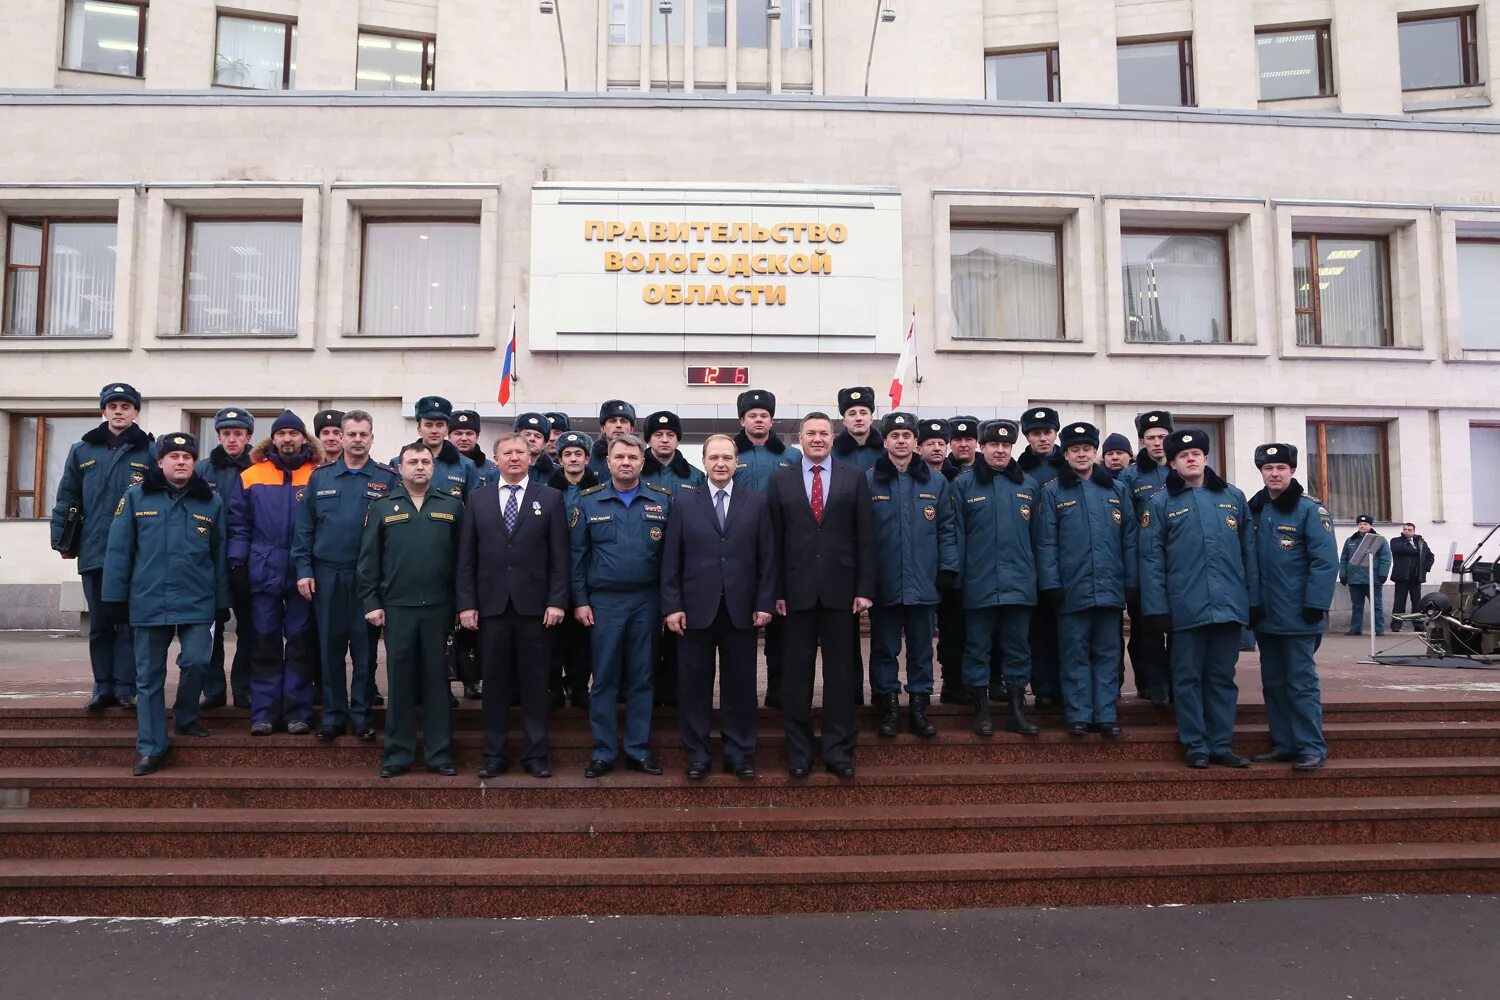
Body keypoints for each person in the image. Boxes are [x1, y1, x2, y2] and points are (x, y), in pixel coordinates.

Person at [102, 433, 229, 776]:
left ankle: (187, 717)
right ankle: (152, 747)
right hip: (148, 600)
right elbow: (118, 552)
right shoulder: (135, 497)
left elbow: (219, 555)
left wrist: (222, 600)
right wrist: (114, 597)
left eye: (187, 456)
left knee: (198, 661)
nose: (181, 461)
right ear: (160, 462)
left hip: (197, 600)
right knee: (149, 678)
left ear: (194, 462)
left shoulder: (210, 502)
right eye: (173, 456)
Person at [1139, 429, 1258, 769]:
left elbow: (1249, 554)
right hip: (1185, 609)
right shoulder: (1160, 503)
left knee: (1221, 678)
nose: (1191, 459)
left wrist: (1253, 601)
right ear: (1173, 464)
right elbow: (1150, 560)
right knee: (1187, 679)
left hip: (1228, 607)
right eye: (1182, 456)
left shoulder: (1232, 498)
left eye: (1197, 454)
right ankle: (1195, 745)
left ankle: (1221, 744)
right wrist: (1157, 609)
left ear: (1206, 458)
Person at [661, 433, 776, 780]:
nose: (721, 464)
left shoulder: (756, 502)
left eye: (727, 458)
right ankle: (697, 754)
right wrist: (672, 606)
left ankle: (739, 753)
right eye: (714, 458)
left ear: (736, 462)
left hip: (741, 608)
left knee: (740, 686)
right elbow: (671, 559)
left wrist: (764, 601)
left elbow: (767, 558)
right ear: (704, 462)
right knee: (694, 686)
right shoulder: (684, 502)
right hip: (694, 610)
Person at [767, 412, 875, 779]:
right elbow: (773, 542)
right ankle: (799, 753)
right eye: (810, 433)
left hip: (841, 593)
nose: (817, 438)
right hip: (794, 594)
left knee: (841, 677)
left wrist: (864, 588)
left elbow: (866, 538)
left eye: (823, 433)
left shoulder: (854, 478)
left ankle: (839, 751)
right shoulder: (780, 479)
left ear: (833, 437)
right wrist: (775, 590)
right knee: (795, 679)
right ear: (800, 438)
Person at [457, 432, 569, 780]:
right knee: (494, 684)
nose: (515, 457)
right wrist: (466, 604)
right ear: (496, 458)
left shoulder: (550, 498)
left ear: (531, 457)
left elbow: (560, 558)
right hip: (490, 607)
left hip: (536, 609)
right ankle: (494, 753)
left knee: (535, 684)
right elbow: (466, 558)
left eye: (521, 452)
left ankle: (536, 755)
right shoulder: (477, 500)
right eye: (508, 452)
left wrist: (556, 600)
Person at [359, 441, 465, 779]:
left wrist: (462, 606)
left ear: (433, 468)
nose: (419, 466)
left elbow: (463, 561)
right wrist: (371, 603)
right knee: (400, 683)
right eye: (412, 462)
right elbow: (368, 562)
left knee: (438, 684)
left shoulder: (452, 505)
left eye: (425, 461)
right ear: (400, 468)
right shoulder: (382, 507)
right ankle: (398, 753)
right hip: (397, 608)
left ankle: (439, 754)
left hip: (439, 609)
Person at [292, 410, 399, 742]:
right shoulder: (321, 477)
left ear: (371, 437)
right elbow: (304, 529)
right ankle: (334, 716)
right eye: (350, 434)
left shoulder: (388, 478)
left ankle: (362, 715)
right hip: (327, 576)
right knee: (330, 649)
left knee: (365, 653)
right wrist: (304, 570)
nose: (356, 440)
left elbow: (395, 535)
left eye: (362, 434)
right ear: (340, 436)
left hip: (368, 580)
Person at [571, 434, 672, 778]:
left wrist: (667, 604)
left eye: (632, 457)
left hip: (647, 601)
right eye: (620, 457)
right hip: (604, 604)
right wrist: (580, 601)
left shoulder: (662, 501)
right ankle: (603, 751)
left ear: (642, 463)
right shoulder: (589, 502)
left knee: (643, 678)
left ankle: (638, 750)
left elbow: (672, 560)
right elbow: (577, 558)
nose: (626, 462)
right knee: (604, 679)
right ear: (608, 462)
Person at [50, 382, 154, 711]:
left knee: (127, 622)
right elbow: (67, 497)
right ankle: (102, 685)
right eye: (113, 406)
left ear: (136, 411)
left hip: (134, 555)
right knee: (100, 623)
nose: (119, 411)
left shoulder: (149, 452)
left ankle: (126, 687)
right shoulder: (82, 451)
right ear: (103, 411)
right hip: (94, 550)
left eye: (126, 406)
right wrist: (61, 540)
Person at [1037, 422, 1137, 738]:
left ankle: (1105, 714)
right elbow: (1046, 542)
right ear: (1065, 455)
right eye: (1075, 450)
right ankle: (1079, 714)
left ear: (1095, 453)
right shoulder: (1053, 492)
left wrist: (1131, 582)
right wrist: (1051, 583)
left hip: (1109, 589)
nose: (1081, 454)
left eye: (1087, 449)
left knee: (1108, 654)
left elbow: (1130, 539)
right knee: (1075, 653)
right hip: (1071, 590)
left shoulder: (1116, 490)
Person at [866, 412, 959, 738]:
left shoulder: (936, 482)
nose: (901, 441)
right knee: (884, 649)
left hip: (924, 583)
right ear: (886, 441)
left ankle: (919, 708)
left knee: (922, 650)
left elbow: (947, 530)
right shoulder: (869, 480)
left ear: (915, 443)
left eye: (907, 436)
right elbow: (860, 536)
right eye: (895, 436)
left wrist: (947, 569)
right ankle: (889, 708)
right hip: (885, 583)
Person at [228, 410, 321, 736]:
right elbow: (238, 525)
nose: (287, 439)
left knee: (299, 642)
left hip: (302, 572)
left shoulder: (318, 474)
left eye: (293, 434)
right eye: (282, 434)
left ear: (303, 438)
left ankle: (297, 711)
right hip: (263, 568)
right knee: (264, 641)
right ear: (274, 439)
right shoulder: (251, 475)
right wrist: (237, 563)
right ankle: (264, 712)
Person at [1247, 443, 1338, 771]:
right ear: (1261, 472)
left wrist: (1315, 604)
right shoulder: (1255, 510)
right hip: (1267, 616)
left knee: (1300, 683)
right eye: (1268, 469)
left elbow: (1325, 562)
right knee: (1273, 683)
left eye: (1281, 468)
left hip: (1300, 616)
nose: (1274, 473)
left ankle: (1311, 746)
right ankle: (1284, 743)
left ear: (1293, 471)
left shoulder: (1310, 510)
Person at [950, 419, 1042, 738]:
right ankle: (981, 711)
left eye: (1005, 445)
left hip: (1020, 586)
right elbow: (956, 536)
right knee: (977, 649)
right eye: (993, 445)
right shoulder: (963, 485)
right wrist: (959, 581)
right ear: (982, 447)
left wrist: (1037, 580)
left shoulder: (1028, 486)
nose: (1000, 450)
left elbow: (1038, 539)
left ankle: (1017, 711)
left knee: (1018, 650)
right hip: (979, 584)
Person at [733, 389, 801, 708]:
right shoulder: (731, 455)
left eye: (764, 415)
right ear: (742, 420)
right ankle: (742, 692)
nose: (759, 420)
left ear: (771, 420)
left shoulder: (791, 457)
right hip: (741, 551)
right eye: (752, 415)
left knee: (782, 624)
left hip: (785, 549)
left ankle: (779, 690)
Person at [195, 406, 256, 710]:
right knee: (212, 626)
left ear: (248, 437)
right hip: (211, 560)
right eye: (226, 434)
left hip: (248, 559)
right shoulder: (202, 471)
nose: (232, 440)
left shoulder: (260, 468)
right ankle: (213, 689)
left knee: (250, 627)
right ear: (218, 436)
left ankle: (244, 688)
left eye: (238, 434)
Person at [1117, 410, 1174, 707]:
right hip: (1143, 564)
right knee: (1144, 628)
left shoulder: (1182, 469)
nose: (1157, 443)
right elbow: (1125, 524)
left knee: (1177, 627)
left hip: (1177, 564)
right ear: (1141, 441)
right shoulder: (1129, 476)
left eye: (1162, 437)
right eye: (1150, 438)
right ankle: (1149, 683)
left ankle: (1175, 681)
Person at [547, 430, 599, 708]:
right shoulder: (546, 489)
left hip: (587, 571)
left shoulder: (598, 489)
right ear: (560, 459)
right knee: (553, 635)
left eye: (578, 453)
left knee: (583, 636)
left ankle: (579, 686)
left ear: (587, 458)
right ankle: (553, 686)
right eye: (567, 454)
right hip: (554, 571)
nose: (573, 458)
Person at [1018, 407, 1065, 710]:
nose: (1043, 438)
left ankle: (1064, 686)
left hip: (1067, 560)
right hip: (1030, 559)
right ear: (1027, 437)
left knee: (1066, 629)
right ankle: (1043, 686)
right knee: (1037, 631)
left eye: (1047, 432)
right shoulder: (1018, 469)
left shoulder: (1069, 465)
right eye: (1036, 433)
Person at [937, 415, 979, 705]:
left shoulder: (991, 472)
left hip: (982, 567)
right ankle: (953, 682)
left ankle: (987, 682)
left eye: (968, 439)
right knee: (952, 631)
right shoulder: (944, 476)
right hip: (952, 568)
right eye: (958, 439)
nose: (963, 444)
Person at [395, 396, 481, 501]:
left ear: (446, 430)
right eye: (428, 425)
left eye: (439, 425)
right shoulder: (398, 463)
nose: (434, 431)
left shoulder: (466, 466)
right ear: (419, 429)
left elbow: (473, 508)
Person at [1340, 515, 1392, 636]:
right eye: (1360, 524)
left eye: (1365, 524)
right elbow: (1344, 558)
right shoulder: (1350, 540)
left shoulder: (1379, 540)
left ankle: (1379, 629)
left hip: (1372, 578)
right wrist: (1343, 574)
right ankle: (1356, 629)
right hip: (1354, 578)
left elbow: (1385, 558)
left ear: (1370, 525)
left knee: (1376, 605)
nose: (1362, 526)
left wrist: (1383, 574)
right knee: (1357, 606)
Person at [642, 410, 706, 496]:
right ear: (649, 441)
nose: (665, 440)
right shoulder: (636, 472)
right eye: (658, 435)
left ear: (678, 441)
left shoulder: (696, 477)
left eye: (670, 435)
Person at [1389, 522, 1435, 632]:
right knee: (1399, 602)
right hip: (1401, 577)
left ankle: (1418, 624)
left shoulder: (1421, 543)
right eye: (1405, 529)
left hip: (1416, 577)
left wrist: (1425, 569)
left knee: (1417, 603)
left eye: (1409, 529)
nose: (1407, 531)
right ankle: (1396, 625)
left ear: (1414, 531)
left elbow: (1430, 556)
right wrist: (1416, 550)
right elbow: (1400, 549)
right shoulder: (1396, 541)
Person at [832, 386, 883, 470]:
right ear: (844, 421)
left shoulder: (886, 451)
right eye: (852, 414)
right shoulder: (832, 453)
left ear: (871, 418)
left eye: (863, 413)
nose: (858, 418)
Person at [449, 410, 499, 487]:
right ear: (449, 436)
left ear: (477, 437)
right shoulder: (438, 465)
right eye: (458, 433)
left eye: (469, 433)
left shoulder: (490, 469)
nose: (464, 438)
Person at [588, 400, 637, 478]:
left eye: (624, 421)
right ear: (603, 428)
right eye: (613, 421)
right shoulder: (588, 456)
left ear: (631, 429)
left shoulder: (640, 457)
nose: (618, 425)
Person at [514, 412, 556, 479]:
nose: (532, 439)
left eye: (538, 436)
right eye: (527, 434)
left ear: (544, 443)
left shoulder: (556, 474)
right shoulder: (500, 471)